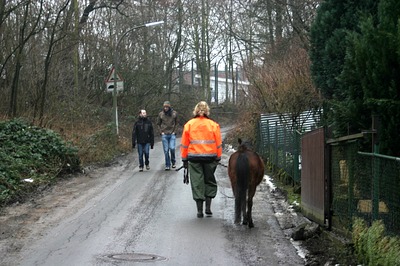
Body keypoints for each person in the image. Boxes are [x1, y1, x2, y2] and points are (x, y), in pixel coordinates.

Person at [180, 101, 222, 218]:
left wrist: (184, 159)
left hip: (194, 157)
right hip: (210, 157)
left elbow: (184, 144)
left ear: (196, 110)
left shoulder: (189, 125)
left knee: (197, 182)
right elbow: (218, 143)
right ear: (207, 110)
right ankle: (208, 208)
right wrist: (218, 157)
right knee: (209, 180)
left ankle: (199, 210)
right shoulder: (213, 125)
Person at [157, 101, 178, 170]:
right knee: (166, 150)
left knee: (172, 148)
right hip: (164, 134)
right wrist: (161, 132)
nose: (165, 108)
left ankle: (173, 161)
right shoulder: (161, 114)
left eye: (167, 107)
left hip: (172, 134)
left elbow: (177, 123)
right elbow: (158, 124)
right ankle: (167, 164)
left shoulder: (174, 114)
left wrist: (174, 131)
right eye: (164, 107)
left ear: (169, 107)